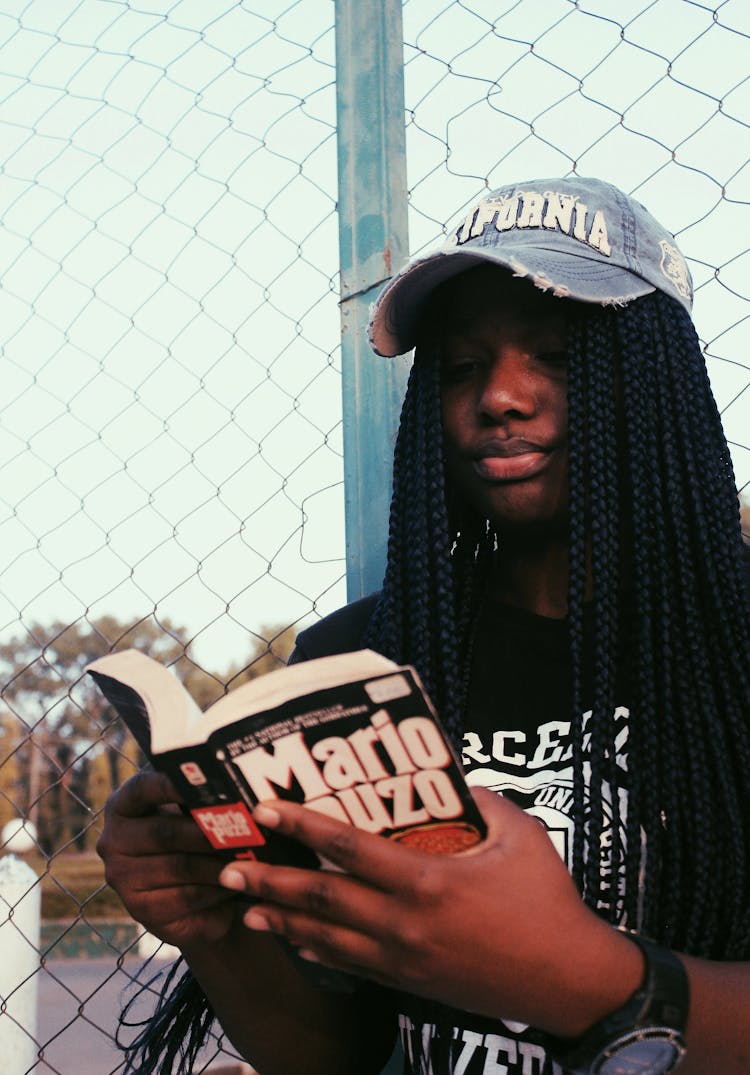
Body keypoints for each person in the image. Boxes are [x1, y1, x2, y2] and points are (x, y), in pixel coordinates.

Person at [97, 176, 750, 1075]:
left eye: (557, 355)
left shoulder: (734, 645)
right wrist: (209, 922)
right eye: (462, 367)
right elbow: (339, 1054)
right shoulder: (357, 664)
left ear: (654, 382)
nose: (502, 397)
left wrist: (583, 978)